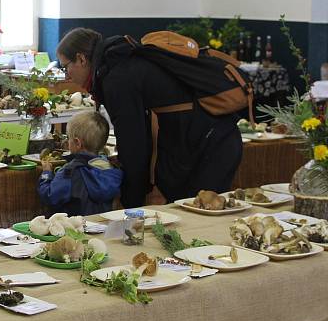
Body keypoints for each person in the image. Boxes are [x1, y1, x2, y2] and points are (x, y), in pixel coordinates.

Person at [56, 27, 243, 208]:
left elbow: (134, 143)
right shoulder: (119, 63)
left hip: (209, 144)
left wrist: (130, 204)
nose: (67, 75)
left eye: (65, 67)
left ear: (81, 58)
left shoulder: (117, 77)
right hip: (209, 138)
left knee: (199, 221)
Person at [38, 111, 122, 215]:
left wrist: (46, 174)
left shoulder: (70, 171)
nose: (67, 141)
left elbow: (51, 197)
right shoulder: (111, 169)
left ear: (77, 143)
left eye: (68, 138)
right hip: (101, 225)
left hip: (74, 227)